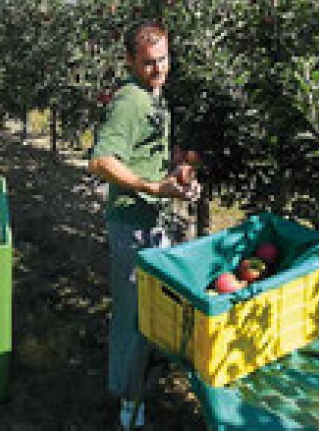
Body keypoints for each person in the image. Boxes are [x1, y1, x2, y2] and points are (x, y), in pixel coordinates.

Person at [88, 23, 200, 429]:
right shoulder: (130, 102)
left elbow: (148, 153)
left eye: (164, 59)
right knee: (135, 315)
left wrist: (178, 172)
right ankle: (129, 402)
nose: (159, 69)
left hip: (154, 219)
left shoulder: (156, 99)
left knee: (154, 311)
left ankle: (143, 385)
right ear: (131, 61)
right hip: (133, 223)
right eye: (149, 62)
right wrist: (154, 187)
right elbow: (101, 161)